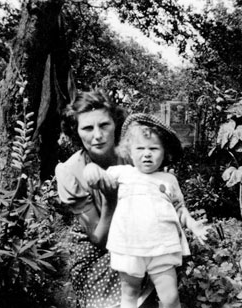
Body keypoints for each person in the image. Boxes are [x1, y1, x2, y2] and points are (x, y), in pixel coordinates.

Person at [83, 113, 209, 308]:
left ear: (164, 153)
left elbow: (179, 209)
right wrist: (91, 169)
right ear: (129, 152)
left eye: (154, 148)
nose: (147, 153)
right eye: (140, 148)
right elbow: (97, 177)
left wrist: (193, 225)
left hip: (162, 248)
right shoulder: (121, 173)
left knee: (170, 298)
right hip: (129, 247)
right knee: (129, 295)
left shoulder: (168, 180)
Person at [55, 91, 155, 308]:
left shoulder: (134, 156)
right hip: (99, 249)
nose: (98, 135)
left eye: (104, 125)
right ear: (76, 132)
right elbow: (99, 239)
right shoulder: (71, 172)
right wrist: (111, 200)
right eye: (88, 128)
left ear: (115, 125)